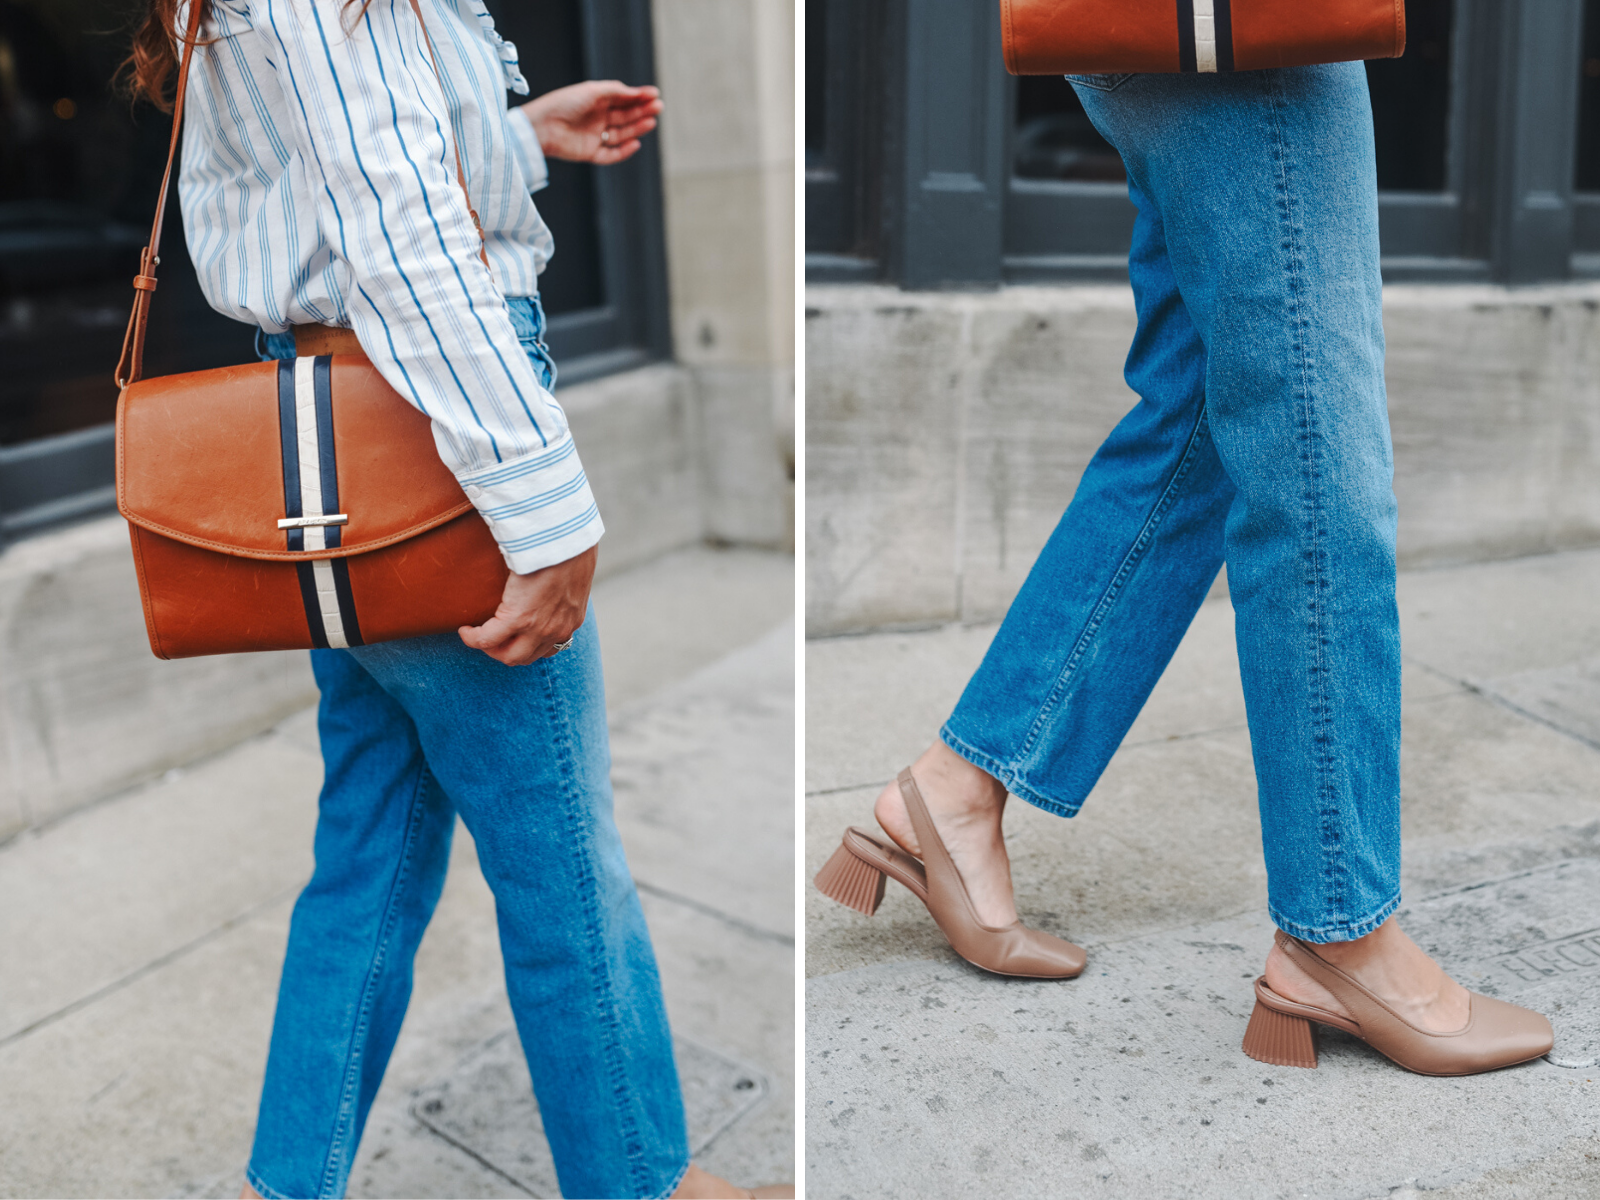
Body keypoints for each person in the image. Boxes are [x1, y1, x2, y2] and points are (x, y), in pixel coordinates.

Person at [123, 1, 791, 1195]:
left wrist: (516, 135)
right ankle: (641, 1180)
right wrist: (540, 506)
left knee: (368, 853)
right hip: (426, 426)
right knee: (560, 869)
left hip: (342, 422)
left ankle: (288, 1179)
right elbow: (395, 228)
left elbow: (329, 167)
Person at [816, 63, 1554, 1076]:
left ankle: (953, 787)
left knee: (1206, 415)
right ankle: (1339, 936)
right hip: (1250, 45)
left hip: (1162, 43)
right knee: (1313, 452)